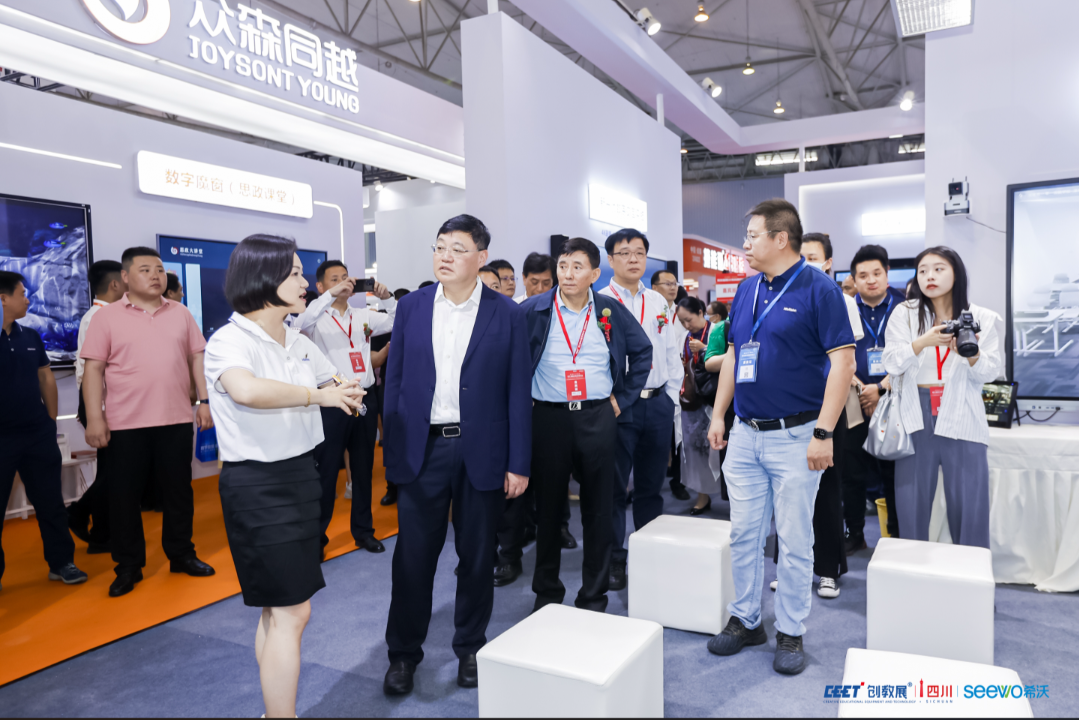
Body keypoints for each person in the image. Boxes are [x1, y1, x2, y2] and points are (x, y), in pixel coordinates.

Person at [204, 234, 364, 719]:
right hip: (256, 486)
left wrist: (345, 388)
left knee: (278, 608)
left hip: (301, 476)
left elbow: (334, 380)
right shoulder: (229, 340)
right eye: (294, 273)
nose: (304, 283)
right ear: (262, 277)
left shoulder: (297, 340)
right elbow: (248, 391)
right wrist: (320, 396)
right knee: (294, 610)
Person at [382, 214, 532, 695]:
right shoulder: (412, 307)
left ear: (481, 257)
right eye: (440, 247)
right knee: (413, 559)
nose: (445, 256)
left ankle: (470, 647)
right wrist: (392, 448)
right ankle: (403, 655)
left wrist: (518, 462)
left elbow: (517, 393)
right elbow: (395, 382)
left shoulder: (506, 313)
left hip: (481, 451)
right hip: (422, 450)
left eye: (457, 249)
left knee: (477, 557)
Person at [706, 199, 855, 675]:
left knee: (793, 539)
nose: (745, 244)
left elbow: (843, 364)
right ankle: (746, 619)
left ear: (780, 238)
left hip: (797, 436)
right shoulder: (746, 289)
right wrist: (719, 415)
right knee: (743, 534)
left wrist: (824, 432)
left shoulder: (820, 289)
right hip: (745, 434)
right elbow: (735, 355)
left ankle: (791, 630)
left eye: (752, 236)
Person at [522, 237, 652, 614]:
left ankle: (593, 596)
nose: (567, 274)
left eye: (577, 267)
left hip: (598, 417)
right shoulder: (533, 309)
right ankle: (547, 592)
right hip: (548, 417)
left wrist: (622, 398)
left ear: (595, 274)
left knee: (598, 508)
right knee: (549, 509)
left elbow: (643, 351)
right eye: (562, 266)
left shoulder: (609, 310)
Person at [80, 247, 216, 598]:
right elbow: (93, 370)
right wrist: (95, 418)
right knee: (124, 497)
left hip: (175, 418)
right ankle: (128, 566)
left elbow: (196, 358)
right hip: (125, 423)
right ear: (125, 277)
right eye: (145, 269)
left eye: (159, 269)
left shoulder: (180, 313)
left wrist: (204, 401)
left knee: (178, 492)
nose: (156, 275)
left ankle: (181, 554)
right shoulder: (107, 317)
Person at [883, 247, 1000, 549]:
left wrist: (970, 355)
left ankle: (972, 575)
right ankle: (914, 571)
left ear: (956, 274)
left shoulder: (982, 317)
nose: (929, 276)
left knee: (970, 505)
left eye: (938, 269)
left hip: (963, 412)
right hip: (915, 412)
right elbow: (891, 362)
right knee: (911, 503)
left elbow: (991, 372)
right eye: (922, 270)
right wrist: (922, 342)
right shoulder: (905, 313)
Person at [288, 260, 395, 556]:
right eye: (334, 279)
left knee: (363, 469)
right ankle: (317, 539)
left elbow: (396, 321)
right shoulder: (315, 317)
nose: (343, 283)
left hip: (364, 397)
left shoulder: (362, 315)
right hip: (331, 400)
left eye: (346, 278)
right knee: (326, 471)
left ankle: (363, 532)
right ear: (320, 286)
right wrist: (329, 295)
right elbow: (299, 322)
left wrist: (387, 297)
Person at [598, 229, 681, 591]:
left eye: (640, 253)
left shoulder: (658, 301)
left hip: (657, 403)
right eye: (625, 253)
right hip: (619, 407)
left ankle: (648, 554)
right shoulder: (599, 301)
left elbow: (670, 353)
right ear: (610, 260)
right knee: (614, 488)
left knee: (651, 487)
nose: (633, 259)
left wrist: (671, 399)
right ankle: (615, 559)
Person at [789, 232, 866, 597]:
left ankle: (828, 569)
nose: (804, 262)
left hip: (828, 407)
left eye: (812, 256)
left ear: (828, 262)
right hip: (791, 406)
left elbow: (846, 362)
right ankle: (793, 567)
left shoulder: (840, 299)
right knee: (790, 494)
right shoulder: (787, 295)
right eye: (800, 255)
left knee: (826, 489)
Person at [0, 271, 87, 590]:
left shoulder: (31, 336)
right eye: (22, 293)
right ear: (3, 299)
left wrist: (50, 422)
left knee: (51, 502)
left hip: (37, 433)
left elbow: (46, 378)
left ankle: (62, 563)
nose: (28, 299)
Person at [845, 244, 906, 547]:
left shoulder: (905, 307)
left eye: (876, 273)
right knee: (851, 471)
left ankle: (895, 533)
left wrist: (880, 389)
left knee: (894, 473)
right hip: (852, 398)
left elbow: (912, 355)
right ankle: (855, 533)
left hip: (894, 398)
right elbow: (830, 352)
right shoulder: (843, 308)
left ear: (887, 273)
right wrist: (862, 389)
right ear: (853, 279)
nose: (870, 280)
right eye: (863, 275)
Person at [69, 260, 127, 554]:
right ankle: (80, 513)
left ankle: (101, 533)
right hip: (101, 402)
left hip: (105, 401)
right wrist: (97, 413)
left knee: (111, 469)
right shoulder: (99, 317)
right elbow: (91, 371)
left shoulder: (103, 315)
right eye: (126, 279)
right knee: (115, 470)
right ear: (115, 284)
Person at [677, 297, 724, 516]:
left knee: (722, 450)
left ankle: (733, 497)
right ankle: (702, 496)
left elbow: (728, 360)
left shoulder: (717, 331)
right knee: (696, 450)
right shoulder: (684, 337)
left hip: (717, 399)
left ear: (700, 312)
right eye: (682, 322)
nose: (686, 325)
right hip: (693, 401)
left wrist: (705, 348)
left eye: (689, 320)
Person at [652, 269, 691, 501]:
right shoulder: (650, 309)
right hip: (656, 381)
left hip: (681, 381)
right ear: (654, 287)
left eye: (674, 283)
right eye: (667, 283)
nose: (672, 287)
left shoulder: (681, 312)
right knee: (656, 439)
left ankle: (678, 481)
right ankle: (649, 485)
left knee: (680, 433)